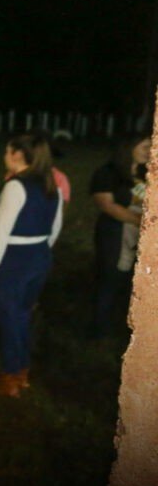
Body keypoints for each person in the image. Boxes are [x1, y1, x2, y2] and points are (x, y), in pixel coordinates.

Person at [0, 133, 63, 396]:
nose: (4, 156)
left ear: (18, 155)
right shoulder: (51, 184)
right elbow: (55, 227)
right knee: (22, 315)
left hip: (13, 259)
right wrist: (40, 251)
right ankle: (22, 370)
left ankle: (9, 377)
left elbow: (0, 230)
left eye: (7, 151)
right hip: (39, 255)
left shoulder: (15, 186)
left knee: (8, 317)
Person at [89, 134, 150, 337]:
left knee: (132, 281)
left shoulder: (146, 173)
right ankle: (100, 330)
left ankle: (124, 326)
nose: (149, 151)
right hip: (115, 234)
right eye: (144, 146)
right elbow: (107, 205)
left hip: (140, 237)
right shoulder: (107, 173)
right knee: (110, 278)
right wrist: (139, 220)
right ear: (128, 147)